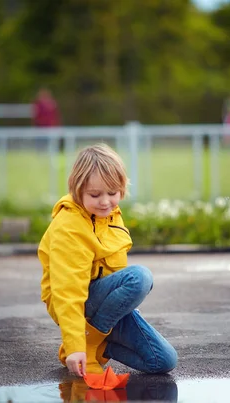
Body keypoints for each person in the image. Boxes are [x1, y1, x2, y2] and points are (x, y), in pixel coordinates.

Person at [38, 143, 177, 377]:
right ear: (77, 190)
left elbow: (115, 273)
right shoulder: (69, 226)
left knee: (163, 360)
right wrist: (75, 345)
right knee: (140, 277)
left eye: (112, 193)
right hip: (79, 304)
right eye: (95, 195)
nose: (105, 201)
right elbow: (67, 291)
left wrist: (125, 309)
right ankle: (84, 344)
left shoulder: (111, 215)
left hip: (106, 306)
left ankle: (97, 346)